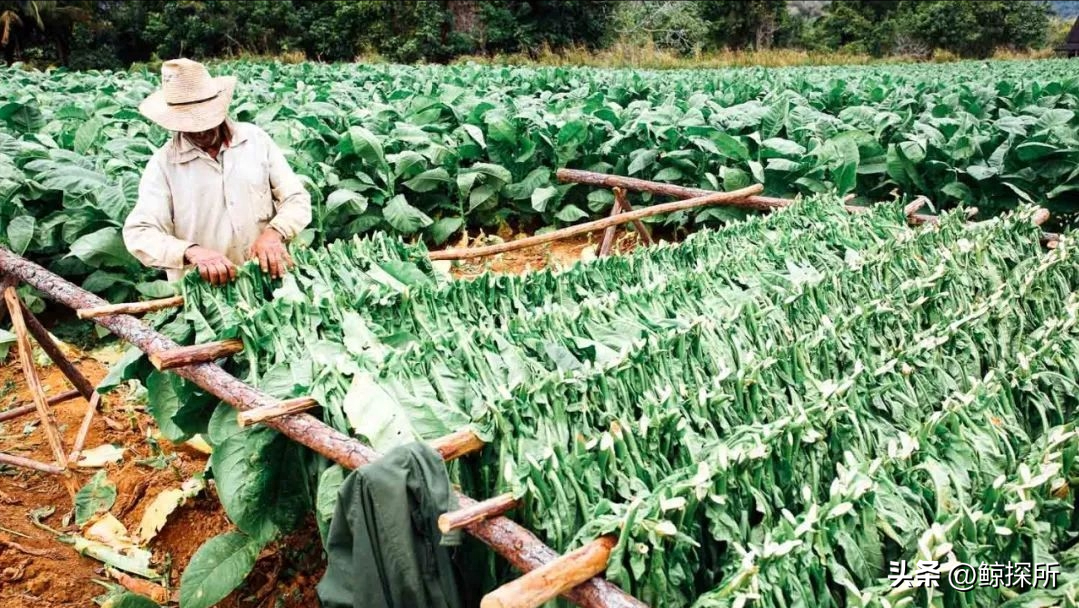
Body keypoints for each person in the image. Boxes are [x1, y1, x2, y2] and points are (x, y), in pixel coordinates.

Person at [123, 58, 311, 285]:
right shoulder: (163, 165)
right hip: (208, 296)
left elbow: (296, 198)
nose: (199, 131)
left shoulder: (256, 141)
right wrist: (191, 252)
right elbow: (139, 233)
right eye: (188, 125)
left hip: (270, 279)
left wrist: (275, 233)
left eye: (204, 121)